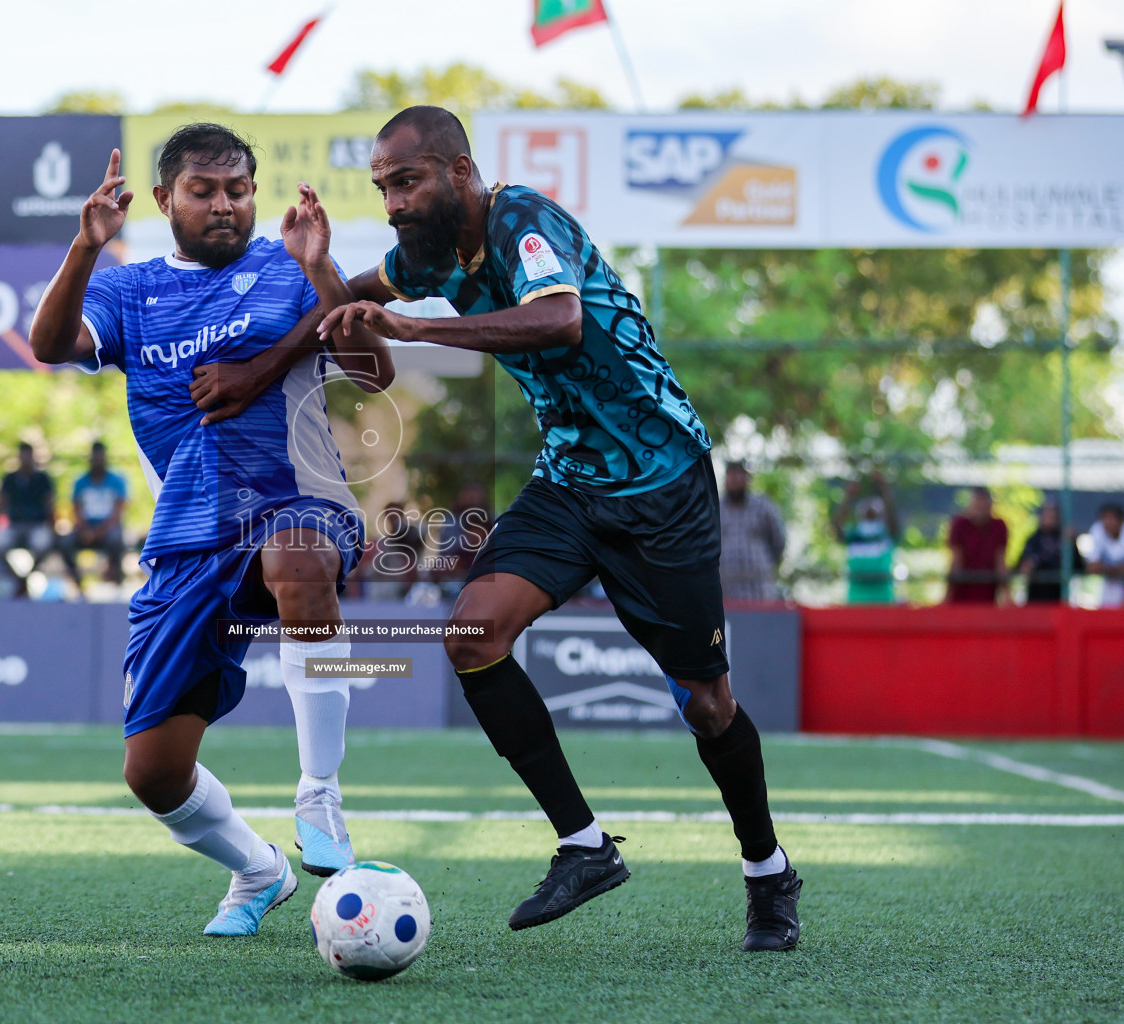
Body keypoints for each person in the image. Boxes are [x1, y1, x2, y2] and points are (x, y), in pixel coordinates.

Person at [189, 107, 800, 951]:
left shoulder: (523, 219)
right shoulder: (425, 256)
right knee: (472, 635)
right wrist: (313, 281)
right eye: (383, 188)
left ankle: (768, 873)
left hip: (662, 485)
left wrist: (418, 326)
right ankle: (584, 848)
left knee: (707, 703)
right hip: (571, 484)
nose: (395, 202)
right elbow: (346, 316)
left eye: (407, 181)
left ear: (460, 174)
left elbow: (560, 319)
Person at [28, 125, 392, 936]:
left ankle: (320, 795)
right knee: (153, 773)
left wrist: (321, 267)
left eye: (237, 190)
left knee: (299, 559)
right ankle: (259, 871)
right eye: (204, 190)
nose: (224, 205)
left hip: (300, 498)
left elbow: (374, 371)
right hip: (189, 533)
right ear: (165, 201)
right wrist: (86, 248)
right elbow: (50, 345)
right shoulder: (129, 289)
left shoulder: (288, 267)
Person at [0, 442, 58, 596]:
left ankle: (26, 578)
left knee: (43, 544)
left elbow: (50, 505)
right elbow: (1, 503)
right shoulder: (10, 479)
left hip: (37, 525)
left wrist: (54, 529)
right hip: (14, 525)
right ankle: (19, 580)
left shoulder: (42, 479)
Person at [718, 461, 787, 603]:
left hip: (758, 588)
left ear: (747, 478)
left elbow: (778, 541)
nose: (735, 479)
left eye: (739, 474)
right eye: (731, 475)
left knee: (760, 623)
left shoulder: (764, 507)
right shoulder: (715, 508)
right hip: (725, 588)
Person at [63, 441, 128, 588]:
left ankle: (116, 580)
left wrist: (99, 531)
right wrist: (85, 530)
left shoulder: (117, 481)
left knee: (116, 540)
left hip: (108, 529)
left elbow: (118, 512)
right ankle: (77, 582)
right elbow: (76, 510)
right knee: (65, 542)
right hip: (85, 528)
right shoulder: (80, 482)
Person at [831, 473, 900, 605]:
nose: (870, 509)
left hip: (883, 601)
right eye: (866, 507)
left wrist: (884, 488)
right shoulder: (854, 535)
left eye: (874, 507)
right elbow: (837, 527)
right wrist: (848, 497)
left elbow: (893, 520)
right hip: (856, 600)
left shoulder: (886, 535)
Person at [947, 486, 1008, 604]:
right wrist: (948, 595)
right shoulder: (960, 525)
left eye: (983, 504)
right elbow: (956, 559)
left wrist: (1006, 594)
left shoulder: (999, 527)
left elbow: (1000, 560)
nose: (980, 508)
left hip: (987, 592)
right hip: (962, 593)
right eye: (977, 504)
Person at [1016, 499, 1083, 604]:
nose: (1050, 519)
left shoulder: (1065, 539)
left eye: (1054, 516)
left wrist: (1073, 542)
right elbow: (1021, 566)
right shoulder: (1033, 540)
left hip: (1059, 597)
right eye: (1047, 515)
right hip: (1037, 597)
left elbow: (1079, 566)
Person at [1085, 502, 1124, 608]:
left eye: (1112, 519)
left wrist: (1106, 568)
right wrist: (1116, 569)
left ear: (1120, 521)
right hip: (1107, 587)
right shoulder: (1097, 530)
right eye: (1106, 519)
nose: (1109, 523)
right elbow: (1092, 567)